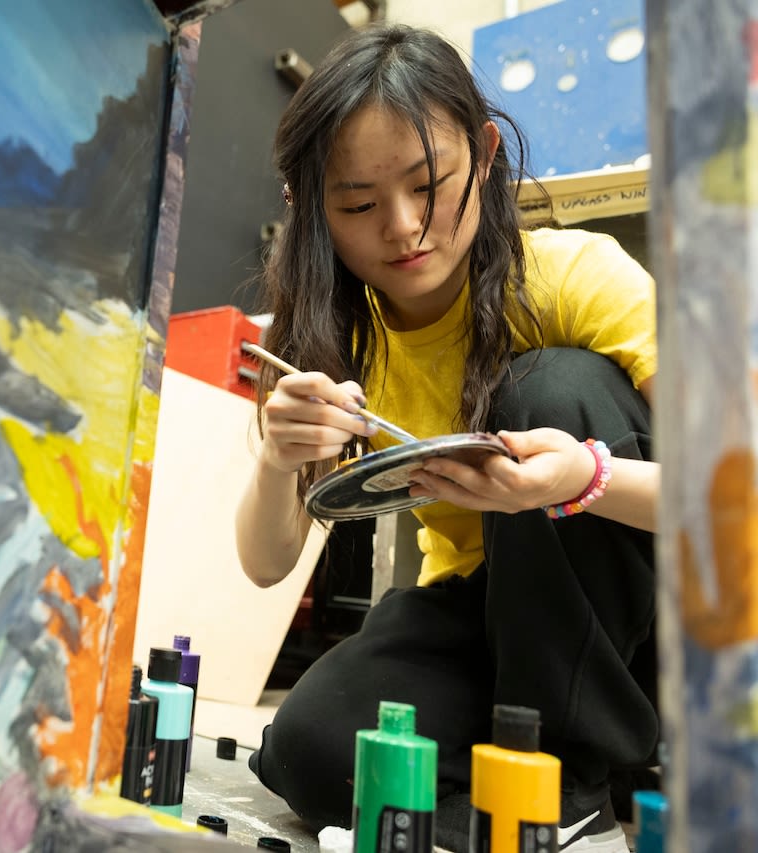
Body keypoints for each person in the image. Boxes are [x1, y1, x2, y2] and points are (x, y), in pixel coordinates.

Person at [236, 23, 658, 853]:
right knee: (310, 750)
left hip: (638, 604)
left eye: (430, 185)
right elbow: (265, 562)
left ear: (487, 153)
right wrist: (278, 455)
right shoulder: (340, 338)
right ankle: (549, 768)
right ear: (309, 205)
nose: (401, 228)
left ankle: (564, 785)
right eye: (357, 203)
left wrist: (583, 478)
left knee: (550, 388)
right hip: (488, 615)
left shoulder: (575, 278)